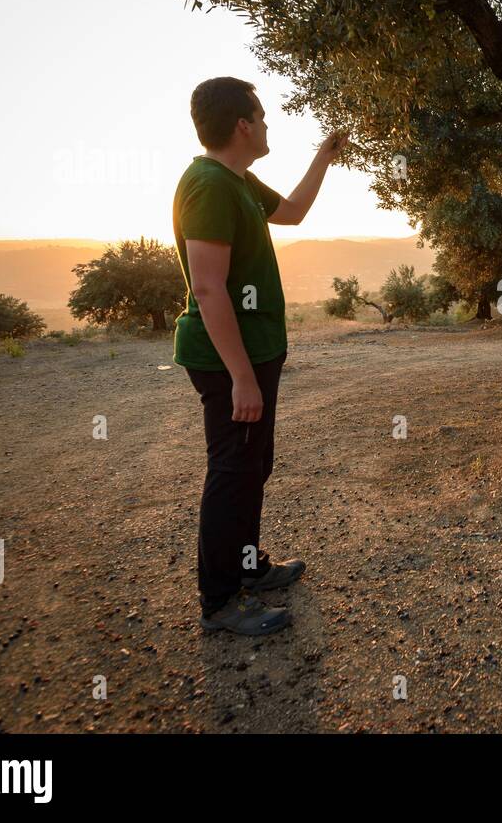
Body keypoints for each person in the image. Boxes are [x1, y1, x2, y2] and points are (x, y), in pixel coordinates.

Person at [172, 76, 348, 636]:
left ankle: (249, 570)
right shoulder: (208, 185)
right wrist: (241, 377)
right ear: (243, 125)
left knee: (252, 468)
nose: (269, 124)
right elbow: (207, 288)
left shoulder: (239, 180)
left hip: (255, 355)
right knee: (232, 472)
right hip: (231, 362)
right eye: (263, 115)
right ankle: (220, 602)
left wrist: (324, 157)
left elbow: (293, 211)